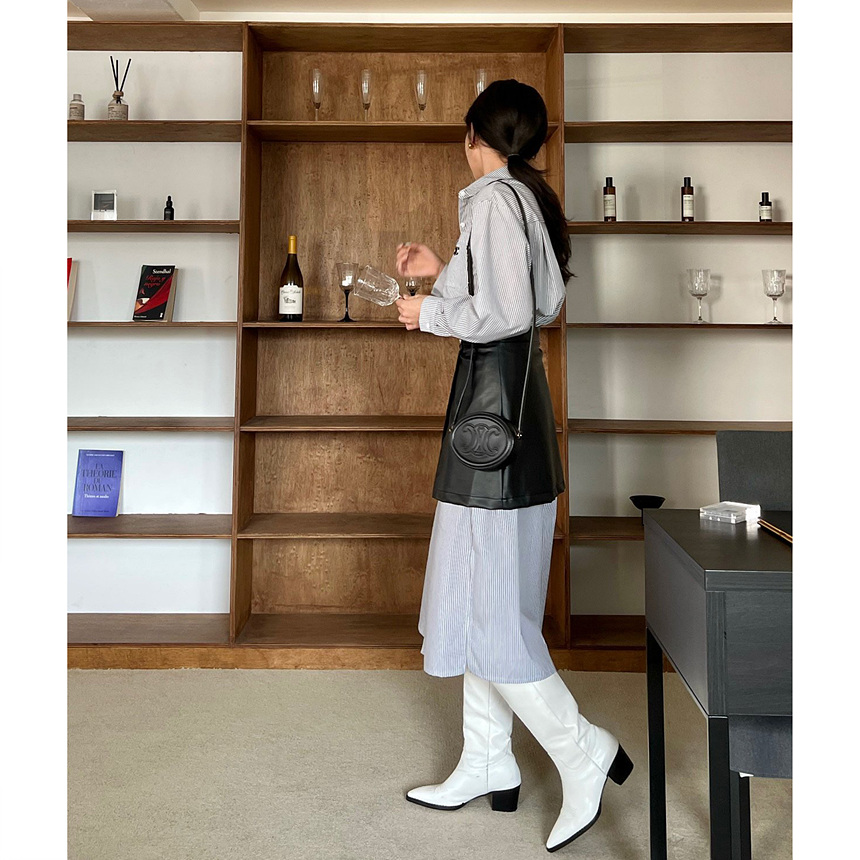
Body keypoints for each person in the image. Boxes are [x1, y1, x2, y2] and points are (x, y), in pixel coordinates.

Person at [393, 80, 633, 853]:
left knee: (492, 615)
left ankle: (582, 751)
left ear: (477, 135)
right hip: (515, 433)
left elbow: (498, 314)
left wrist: (426, 311)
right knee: (484, 605)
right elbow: (535, 301)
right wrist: (443, 267)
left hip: (491, 440)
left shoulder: (495, 200)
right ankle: (487, 760)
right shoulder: (524, 199)